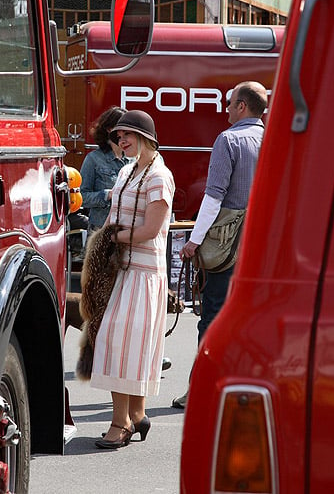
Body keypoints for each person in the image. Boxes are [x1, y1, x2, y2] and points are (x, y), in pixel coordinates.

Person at [171, 81, 268, 409]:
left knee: (211, 316)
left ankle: (202, 388)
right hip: (262, 244)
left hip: (227, 244)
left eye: (230, 103)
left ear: (242, 106)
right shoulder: (271, 139)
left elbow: (213, 196)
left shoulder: (229, 140)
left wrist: (194, 241)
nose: (226, 109)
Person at [90, 110, 175, 449]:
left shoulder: (159, 176)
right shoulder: (127, 171)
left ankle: (120, 423)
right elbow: (115, 217)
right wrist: (110, 241)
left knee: (121, 343)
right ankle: (138, 416)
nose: (121, 140)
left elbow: (152, 230)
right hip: (123, 269)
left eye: (127, 135)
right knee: (125, 343)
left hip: (144, 272)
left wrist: (113, 239)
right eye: (118, 136)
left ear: (145, 137)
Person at [79, 106, 129, 233]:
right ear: (109, 129)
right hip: (100, 229)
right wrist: (108, 195)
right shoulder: (93, 159)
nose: (126, 135)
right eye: (122, 129)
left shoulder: (134, 160)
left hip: (128, 229)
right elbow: (81, 197)